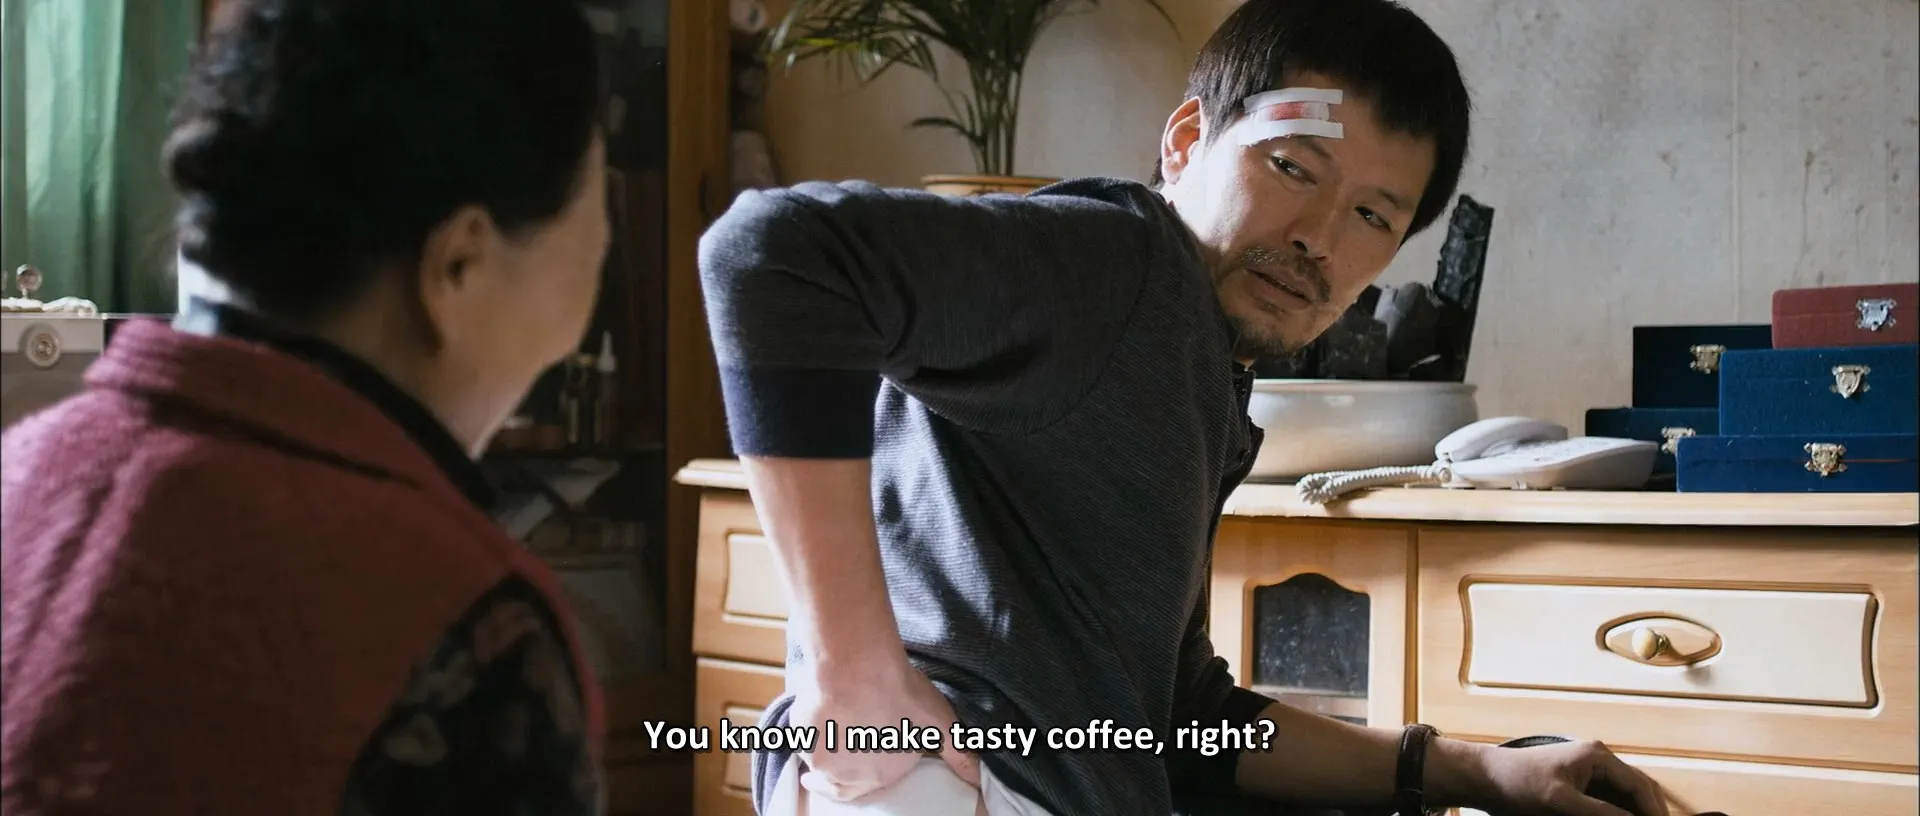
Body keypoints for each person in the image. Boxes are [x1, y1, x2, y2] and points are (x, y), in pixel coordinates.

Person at [697, 0, 1671, 815]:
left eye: (1373, 215)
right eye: (1293, 167)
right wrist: (851, 671)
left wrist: (1469, 770)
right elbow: (772, 254)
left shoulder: (1193, 359)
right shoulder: (1119, 266)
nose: (1318, 239)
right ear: (1187, 141)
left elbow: (1178, 713)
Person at [0, 0, 613, 813]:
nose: (607, 245)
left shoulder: (23, 470)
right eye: (599, 203)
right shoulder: (457, 623)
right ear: (460, 262)